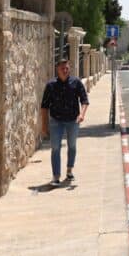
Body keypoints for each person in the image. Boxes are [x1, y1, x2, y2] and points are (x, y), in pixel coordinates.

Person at [40, 59, 89, 187]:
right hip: (56, 121)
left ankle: (69, 170)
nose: (65, 70)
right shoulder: (51, 85)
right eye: (63, 68)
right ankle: (56, 176)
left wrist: (82, 114)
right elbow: (44, 107)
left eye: (67, 68)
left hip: (73, 120)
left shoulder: (76, 82)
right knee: (55, 148)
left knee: (72, 146)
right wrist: (44, 125)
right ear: (58, 69)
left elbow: (84, 100)